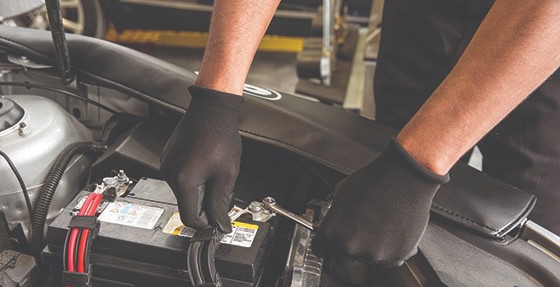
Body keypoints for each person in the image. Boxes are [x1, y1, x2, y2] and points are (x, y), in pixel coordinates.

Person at [159, 0, 560, 269]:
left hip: (544, 33)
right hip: (426, 12)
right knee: (387, 185)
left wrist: (415, 170)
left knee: (521, 241)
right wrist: (216, 98)